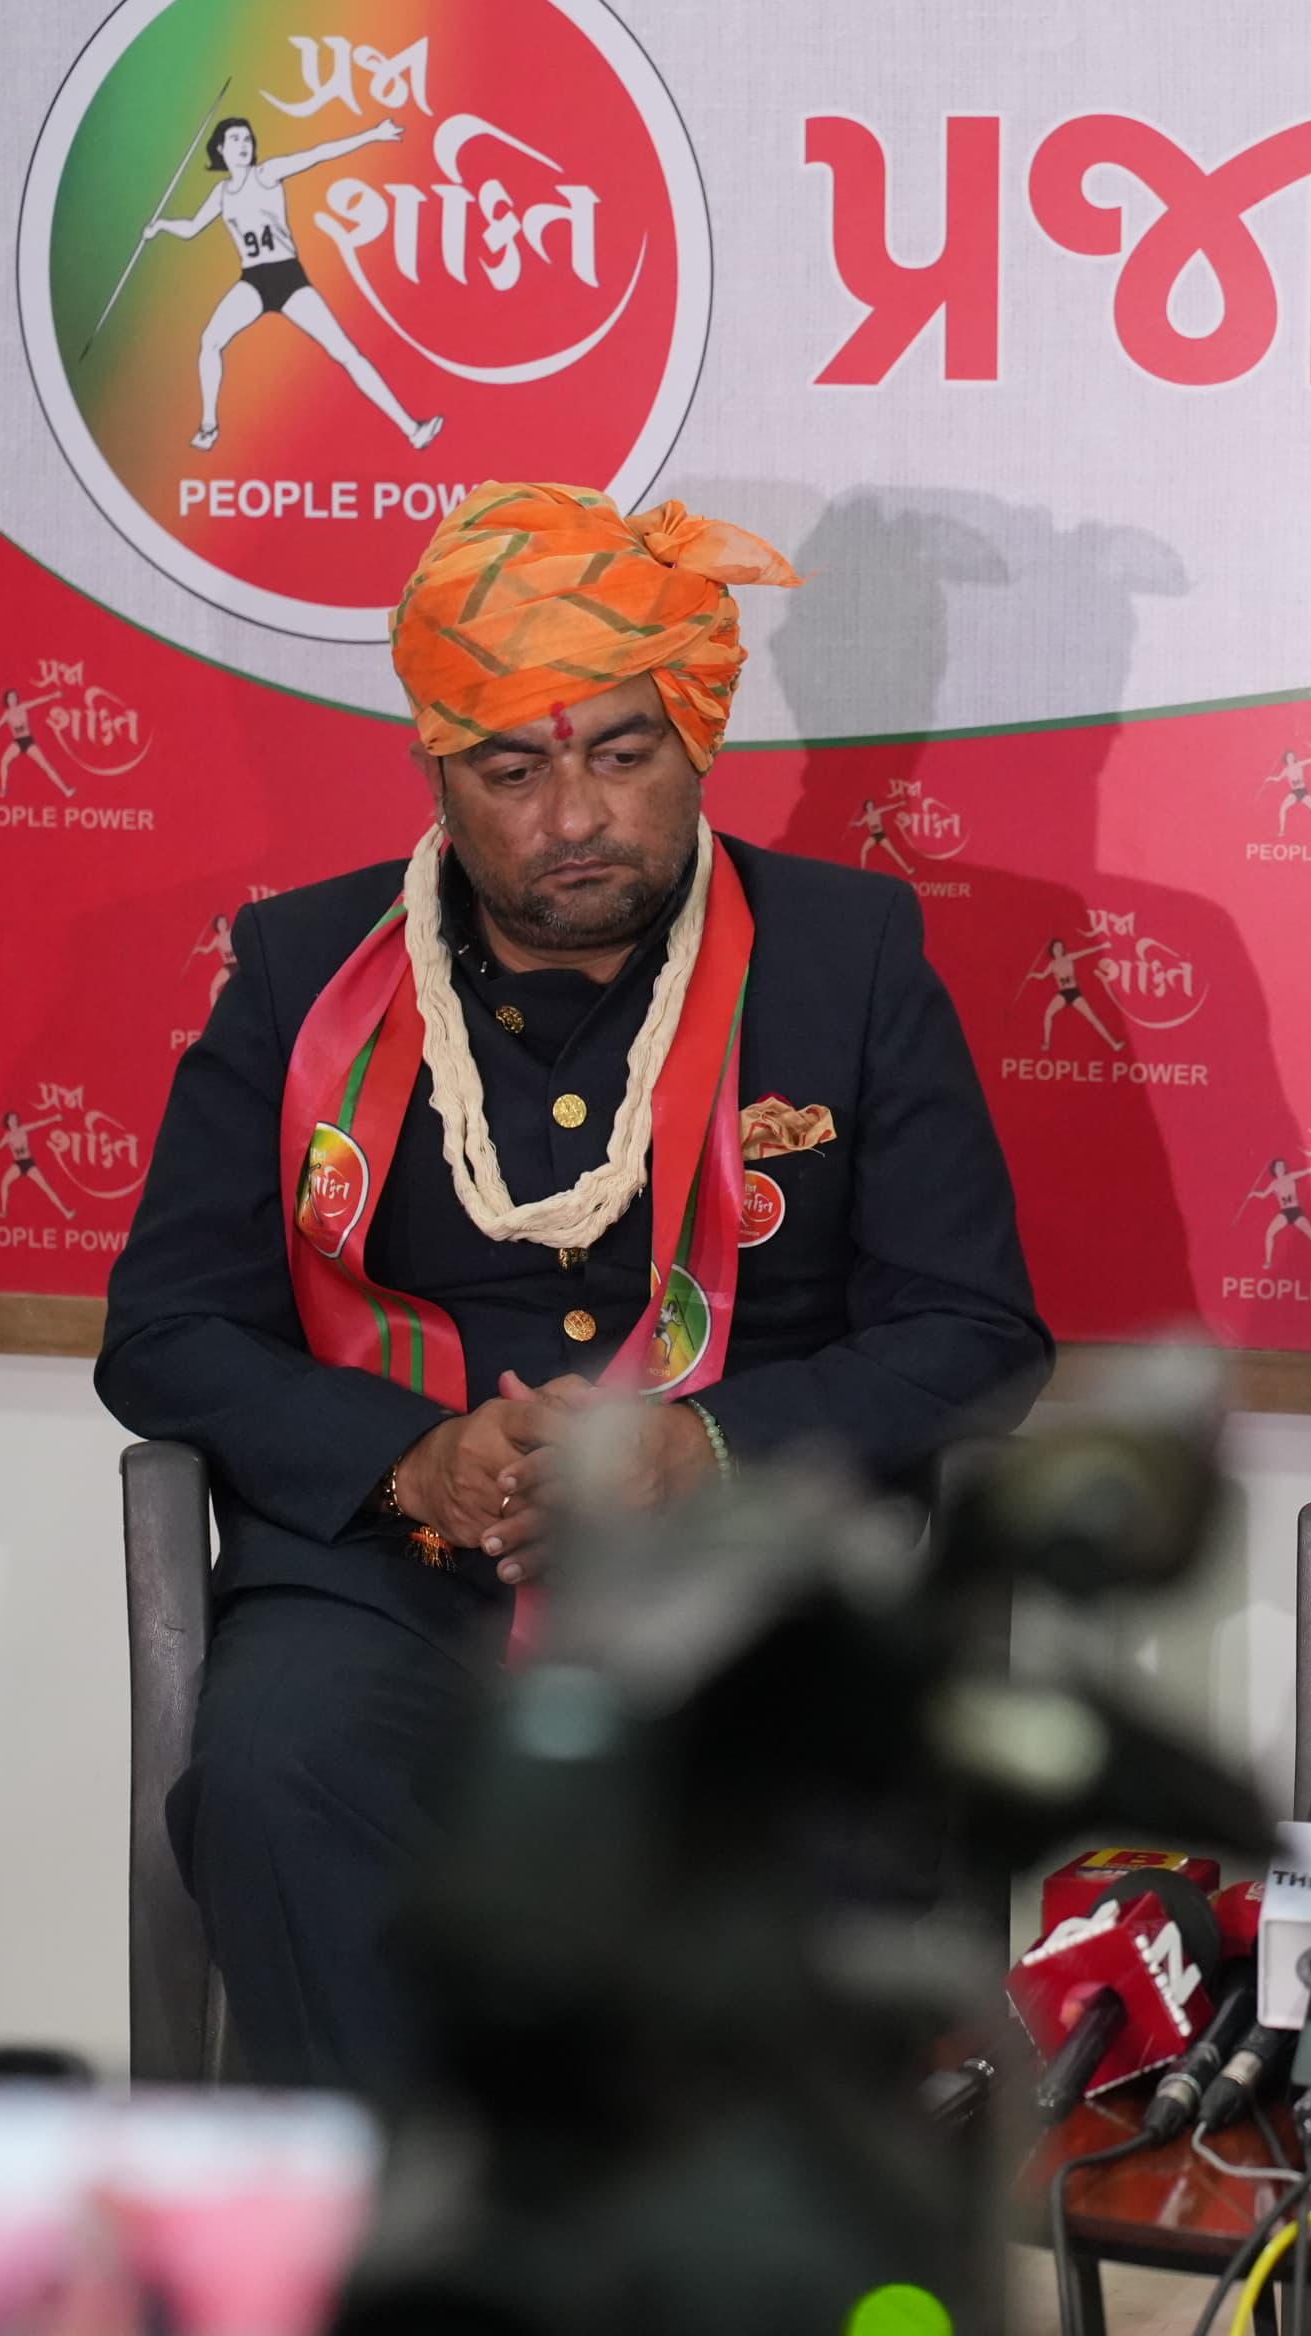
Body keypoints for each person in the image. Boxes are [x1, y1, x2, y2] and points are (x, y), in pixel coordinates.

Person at [98, 482, 1050, 2090]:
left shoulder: (851, 957)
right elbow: (168, 1331)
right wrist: (408, 1460)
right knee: (277, 1774)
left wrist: (708, 1446)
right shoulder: (299, 970)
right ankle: (400, 2220)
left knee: (804, 1803)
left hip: (745, 1585)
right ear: (435, 769)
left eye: (622, 754)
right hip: (392, 1585)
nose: (573, 818)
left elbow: (974, 1333)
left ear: (696, 740)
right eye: (513, 771)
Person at [144, 115, 442, 453]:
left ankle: (413, 430)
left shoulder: (266, 174)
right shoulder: (222, 193)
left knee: (346, 352)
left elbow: (318, 154)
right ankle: (208, 427)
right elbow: (192, 228)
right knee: (210, 341)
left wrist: (372, 134)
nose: (243, 145)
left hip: (287, 277)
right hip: (253, 281)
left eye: (247, 139)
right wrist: (161, 226)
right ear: (221, 149)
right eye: (235, 140)